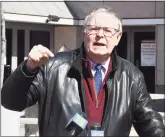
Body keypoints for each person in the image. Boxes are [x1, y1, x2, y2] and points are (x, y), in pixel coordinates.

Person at [1, 7, 165, 137]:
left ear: (118, 37)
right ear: (84, 33)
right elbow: (11, 102)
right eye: (94, 29)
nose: (100, 35)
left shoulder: (131, 76)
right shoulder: (52, 67)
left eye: (108, 30)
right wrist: (28, 68)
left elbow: (149, 121)